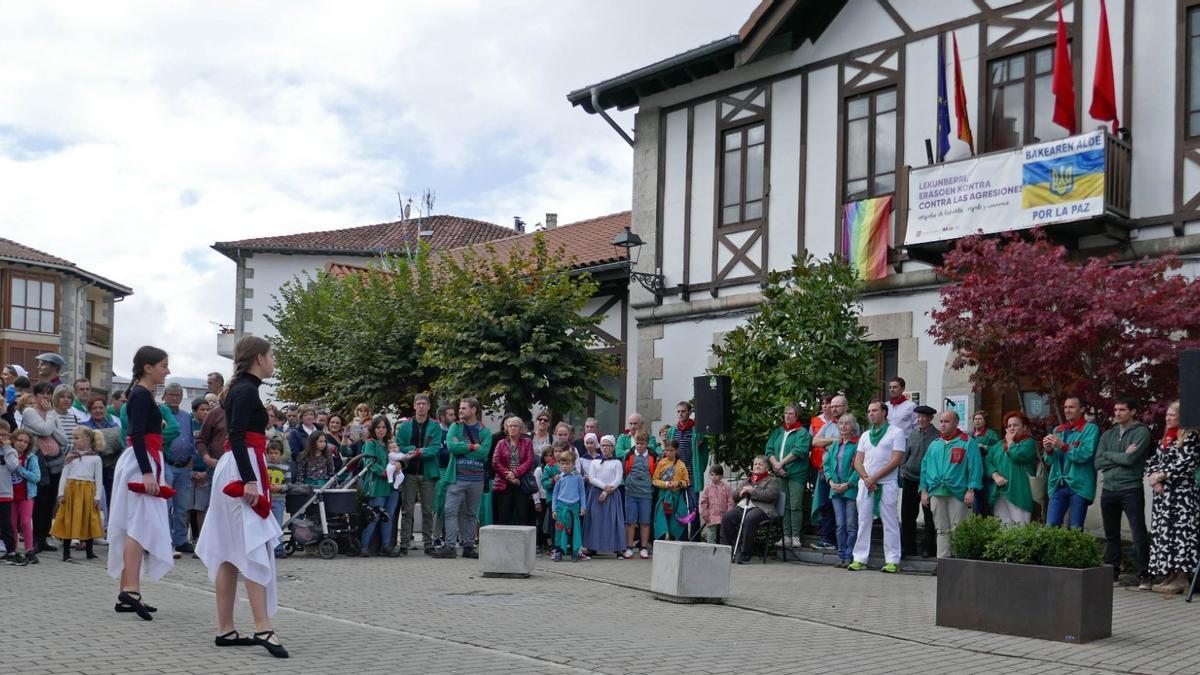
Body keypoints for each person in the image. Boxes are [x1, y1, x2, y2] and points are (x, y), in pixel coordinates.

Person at [195, 336, 287, 658]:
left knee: (231, 551)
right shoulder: (247, 390)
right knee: (250, 545)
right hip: (242, 467)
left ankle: (226, 629)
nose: (274, 361)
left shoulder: (242, 389)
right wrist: (250, 479)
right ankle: (262, 627)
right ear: (260, 358)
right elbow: (235, 434)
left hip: (240, 465)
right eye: (272, 355)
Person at [107, 346, 174, 620]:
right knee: (138, 523)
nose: (167, 371)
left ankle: (128, 589)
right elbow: (136, 433)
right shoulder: (141, 395)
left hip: (144, 458)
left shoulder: (141, 394)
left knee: (135, 522)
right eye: (163, 366)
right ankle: (131, 589)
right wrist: (147, 472)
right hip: (142, 460)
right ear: (148, 367)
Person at [1095, 396, 1154, 589]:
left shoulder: (1142, 432)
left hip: (1130, 488)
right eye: (1116, 410)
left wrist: (1110, 456)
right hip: (1109, 489)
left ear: (1133, 411)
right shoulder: (1108, 434)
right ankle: (1113, 574)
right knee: (1111, 534)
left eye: (1122, 410)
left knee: (1138, 532)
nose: (1117, 413)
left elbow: (1131, 461)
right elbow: (1097, 462)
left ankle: (1144, 576)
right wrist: (1120, 456)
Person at [1145, 402, 1199, 594]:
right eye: (1167, 415)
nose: (1168, 418)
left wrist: (1163, 475)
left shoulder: (1190, 436)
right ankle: (1171, 573)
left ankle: (1182, 577)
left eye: (1172, 415)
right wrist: (1153, 476)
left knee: (1180, 533)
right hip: (1164, 497)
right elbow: (1153, 460)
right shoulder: (1164, 439)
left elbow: (1187, 462)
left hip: (1181, 496)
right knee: (1165, 534)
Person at [849, 401, 906, 573]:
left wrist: (875, 477)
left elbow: (896, 460)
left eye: (874, 410)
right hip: (866, 484)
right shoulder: (865, 435)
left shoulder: (896, 432)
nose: (871, 413)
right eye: (869, 411)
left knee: (890, 522)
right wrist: (867, 478)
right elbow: (858, 461)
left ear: (884, 412)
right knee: (863, 521)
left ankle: (893, 560)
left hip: (887, 484)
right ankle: (859, 558)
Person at [432, 397, 491, 559]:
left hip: (477, 479)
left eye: (464, 408)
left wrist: (462, 447)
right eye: (460, 408)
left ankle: (468, 546)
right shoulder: (455, 427)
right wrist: (472, 446)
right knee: (450, 510)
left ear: (473, 410)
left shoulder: (484, 431)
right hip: (457, 477)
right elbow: (451, 446)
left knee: (471, 513)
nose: (460, 411)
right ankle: (450, 546)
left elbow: (484, 453)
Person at [919, 411, 982, 559]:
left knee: (959, 530)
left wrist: (971, 490)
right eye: (941, 421)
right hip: (936, 492)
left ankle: (958, 564)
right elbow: (925, 468)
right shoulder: (935, 444)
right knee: (941, 530)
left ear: (956, 423)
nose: (942, 424)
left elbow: (975, 467)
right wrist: (923, 490)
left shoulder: (967, 442)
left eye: (946, 421)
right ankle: (943, 564)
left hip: (958, 493)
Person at [395, 394, 443, 554]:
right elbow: (400, 445)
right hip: (409, 473)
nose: (421, 406)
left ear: (429, 407)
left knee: (427, 510)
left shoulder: (435, 426)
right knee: (407, 509)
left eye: (424, 404)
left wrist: (416, 451)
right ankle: (404, 543)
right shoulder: (405, 426)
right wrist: (414, 450)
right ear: (414, 406)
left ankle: (428, 544)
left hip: (428, 474)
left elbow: (435, 448)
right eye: (419, 404)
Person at [22, 381, 67, 553]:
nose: (46, 397)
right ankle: (36, 539)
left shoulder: (52, 414)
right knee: (39, 501)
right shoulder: (29, 412)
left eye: (49, 394)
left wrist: (51, 425)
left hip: (55, 463)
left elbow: (63, 439)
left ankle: (44, 537)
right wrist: (50, 421)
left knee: (49, 502)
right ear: (36, 396)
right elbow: (45, 430)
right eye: (43, 394)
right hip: (39, 463)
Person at [1043, 396, 1100, 529]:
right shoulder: (1058, 430)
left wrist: (1063, 445)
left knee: (1075, 528)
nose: (1067, 410)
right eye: (1066, 407)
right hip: (1058, 483)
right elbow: (1049, 460)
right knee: (1050, 526)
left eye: (1072, 407)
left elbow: (1085, 455)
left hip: (1079, 485)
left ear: (1082, 409)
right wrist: (1049, 450)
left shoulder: (1090, 429)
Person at [51, 427, 104, 561]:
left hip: (88, 491)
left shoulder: (96, 459)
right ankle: (66, 553)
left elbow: (99, 479)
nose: (74, 441)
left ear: (87, 440)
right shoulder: (71, 456)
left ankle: (89, 551)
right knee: (68, 519)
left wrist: (97, 497)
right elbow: (64, 475)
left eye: (77, 438)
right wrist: (60, 493)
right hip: (72, 491)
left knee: (88, 519)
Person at [721, 455, 782, 564]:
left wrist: (753, 492)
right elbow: (734, 496)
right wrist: (742, 491)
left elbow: (770, 496)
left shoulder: (772, 480)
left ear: (767, 468)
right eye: (755, 464)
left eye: (760, 464)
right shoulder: (748, 480)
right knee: (727, 517)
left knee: (749, 519)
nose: (757, 466)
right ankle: (726, 551)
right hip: (744, 506)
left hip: (762, 508)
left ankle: (745, 553)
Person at [765, 403, 810, 549]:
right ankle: (786, 536)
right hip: (780, 474)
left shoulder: (802, 432)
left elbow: (799, 450)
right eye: (786, 413)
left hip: (796, 474)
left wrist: (781, 463)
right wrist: (776, 465)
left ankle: (795, 536)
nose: (787, 416)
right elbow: (769, 449)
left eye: (791, 414)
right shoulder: (778, 432)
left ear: (796, 416)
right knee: (783, 505)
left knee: (795, 505)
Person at [809, 395, 849, 552]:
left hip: (842, 473)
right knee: (825, 505)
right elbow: (815, 442)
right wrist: (833, 440)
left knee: (842, 507)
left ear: (845, 407)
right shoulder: (829, 424)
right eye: (832, 406)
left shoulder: (851, 423)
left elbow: (848, 442)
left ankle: (842, 543)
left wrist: (827, 443)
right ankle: (827, 539)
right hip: (825, 471)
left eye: (837, 406)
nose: (833, 409)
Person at [161, 382, 197, 555]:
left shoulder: (186, 417)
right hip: (167, 464)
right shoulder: (160, 414)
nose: (175, 398)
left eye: (178, 395)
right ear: (165, 396)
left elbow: (190, 438)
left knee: (182, 506)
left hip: (184, 466)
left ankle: (181, 540)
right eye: (172, 395)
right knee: (166, 506)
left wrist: (192, 456)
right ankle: (165, 540)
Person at [899, 405, 938, 559]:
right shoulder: (913, 434)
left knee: (929, 517)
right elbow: (905, 455)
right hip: (910, 478)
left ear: (930, 418)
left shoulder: (937, 436)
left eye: (923, 417)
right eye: (918, 417)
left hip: (928, 483)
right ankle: (908, 547)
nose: (920, 420)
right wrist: (903, 470)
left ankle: (929, 548)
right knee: (908, 515)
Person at [986, 411, 1038, 526]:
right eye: (1009, 426)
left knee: (1020, 529)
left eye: (1015, 425)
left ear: (1024, 427)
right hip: (1000, 492)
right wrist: (995, 475)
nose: (1011, 428)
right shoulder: (999, 445)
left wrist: (1010, 441)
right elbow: (987, 461)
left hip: (1019, 492)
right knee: (1002, 529)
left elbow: (1017, 455)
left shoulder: (1029, 443)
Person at [358, 415, 400, 557]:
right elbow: (369, 463)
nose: (381, 430)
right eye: (378, 427)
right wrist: (383, 472)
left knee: (388, 516)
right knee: (374, 516)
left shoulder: (390, 443)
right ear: (373, 429)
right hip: (378, 484)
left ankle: (386, 546)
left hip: (392, 485)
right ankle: (364, 545)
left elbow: (398, 457)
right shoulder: (371, 443)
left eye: (384, 427)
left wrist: (400, 466)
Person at [824, 413, 861, 567]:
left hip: (850, 489)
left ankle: (850, 555)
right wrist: (831, 481)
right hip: (835, 490)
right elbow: (827, 465)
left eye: (847, 423)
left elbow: (859, 467)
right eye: (840, 423)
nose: (843, 426)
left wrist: (848, 484)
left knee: (851, 524)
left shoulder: (857, 445)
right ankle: (841, 556)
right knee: (840, 525)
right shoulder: (835, 445)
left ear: (853, 427)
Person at [582, 434, 625, 555]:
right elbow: (592, 478)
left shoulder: (617, 462)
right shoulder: (595, 462)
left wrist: (606, 492)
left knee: (613, 520)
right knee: (595, 520)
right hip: (596, 493)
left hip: (611, 494)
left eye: (608, 445)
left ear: (613, 447)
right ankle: (592, 546)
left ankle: (617, 547)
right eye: (603, 445)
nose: (605, 448)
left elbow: (618, 479)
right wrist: (603, 487)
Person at [82, 394, 122, 514]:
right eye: (94, 408)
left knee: (112, 499)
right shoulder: (84, 426)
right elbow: (87, 446)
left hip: (110, 468)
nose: (98, 410)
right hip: (91, 470)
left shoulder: (114, 425)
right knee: (92, 500)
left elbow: (118, 444)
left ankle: (110, 528)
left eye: (101, 407)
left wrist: (97, 439)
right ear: (90, 410)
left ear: (105, 408)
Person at [492, 415, 535, 527]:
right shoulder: (501, 443)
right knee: (503, 515)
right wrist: (509, 475)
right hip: (503, 483)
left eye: (515, 426)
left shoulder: (527, 442)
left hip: (521, 482)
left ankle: (522, 544)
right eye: (510, 426)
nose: (512, 428)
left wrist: (515, 473)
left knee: (523, 514)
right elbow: (495, 462)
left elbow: (529, 461)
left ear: (520, 429)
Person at [7, 428, 40, 564]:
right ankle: (14, 551)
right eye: (19, 440)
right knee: (12, 524)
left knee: (25, 522)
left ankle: (29, 550)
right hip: (10, 495)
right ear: (13, 440)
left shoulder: (31, 458)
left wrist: (20, 469)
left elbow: (36, 477)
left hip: (26, 495)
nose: (22, 444)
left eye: (26, 442)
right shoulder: (7, 455)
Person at [622, 430, 655, 559]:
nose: (639, 446)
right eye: (637, 443)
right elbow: (625, 471)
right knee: (630, 521)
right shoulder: (629, 455)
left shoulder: (652, 456)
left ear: (647, 444)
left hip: (646, 493)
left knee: (645, 521)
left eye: (642, 443)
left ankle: (643, 547)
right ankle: (629, 547)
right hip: (631, 493)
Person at [551, 448, 587, 561]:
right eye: (562, 463)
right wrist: (554, 509)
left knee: (575, 530)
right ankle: (559, 551)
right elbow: (555, 495)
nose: (565, 466)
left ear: (573, 464)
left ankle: (575, 551)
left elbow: (582, 493)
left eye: (567, 463)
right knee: (560, 530)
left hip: (574, 507)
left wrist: (583, 506)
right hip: (561, 507)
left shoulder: (578, 478)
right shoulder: (559, 478)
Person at [667, 401, 707, 500]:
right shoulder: (672, 431)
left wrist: (700, 468)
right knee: (680, 506)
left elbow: (704, 453)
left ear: (689, 412)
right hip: (677, 474)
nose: (680, 414)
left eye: (683, 411)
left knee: (694, 506)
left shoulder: (697, 430)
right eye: (678, 411)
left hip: (692, 474)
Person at [652, 438, 690, 541]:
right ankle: (663, 537)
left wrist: (678, 483)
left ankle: (673, 538)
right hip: (663, 496)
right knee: (661, 518)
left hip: (676, 497)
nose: (668, 452)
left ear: (676, 450)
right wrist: (666, 484)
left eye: (671, 450)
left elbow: (686, 482)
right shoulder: (661, 463)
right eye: (666, 450)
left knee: (674, 519)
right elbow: (654, 480)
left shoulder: (681, 464)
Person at [969, 412, 1000, 516]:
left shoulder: (991, 434)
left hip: (986, 471)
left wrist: (985, 447)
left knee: (986, 498)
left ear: (985, 421)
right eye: (975, 419)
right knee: (976, 498)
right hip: (973, 471)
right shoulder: (970, 435)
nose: (977, 421)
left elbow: (998, 451)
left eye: (980, 419)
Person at [0, 422, 21, 565]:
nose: (2, 437)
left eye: (5, 435)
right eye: (0, 435)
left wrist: (7, 447)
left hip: (5, 493)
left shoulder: (11, 451)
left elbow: (13, 466)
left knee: (6, 524)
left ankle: (11, 551)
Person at [265, 438, 290, 558]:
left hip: (278, 500)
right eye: (270, 453)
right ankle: (265, 548)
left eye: (276, 453)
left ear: (281, 454)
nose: (273, 456)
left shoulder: (285, 468)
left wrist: (280, 487)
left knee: (277, 525)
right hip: (266, 500)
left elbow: (289, 485)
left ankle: (278, 548)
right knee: (265, 524)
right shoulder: (264, 466)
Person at [533, 445, 558, 553]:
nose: (548, 458)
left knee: (551, 522)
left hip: (551, 497)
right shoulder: (540, 469)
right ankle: (538, 544)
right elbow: (536, 486)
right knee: (539, 522)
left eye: (551, 455)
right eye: (546, 456)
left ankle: (550, 543)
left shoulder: (556, 468)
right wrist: (537, 501)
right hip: (541, 498)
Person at [699, 464, 732, 544]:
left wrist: (729, 513)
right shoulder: (707, 488)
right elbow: (704, 502)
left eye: (716, 475)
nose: (713, 477)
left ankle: (722, 549)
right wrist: (705, 514)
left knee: (723, 533)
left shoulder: (726, 487)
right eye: (712, 475)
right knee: (711, 534)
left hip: (724, 515)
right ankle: (710, 549)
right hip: (712, 516)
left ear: (721, 476)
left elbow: (730, 501)